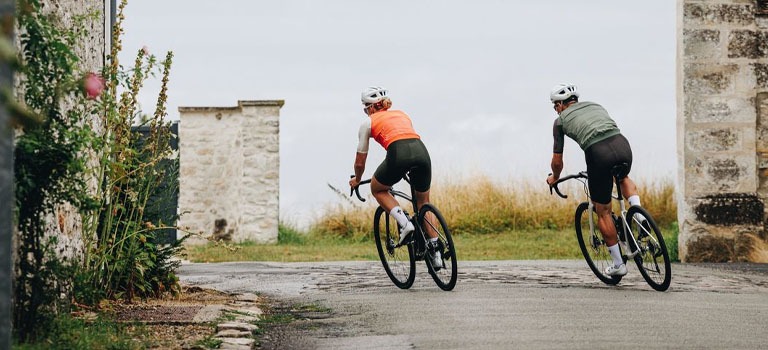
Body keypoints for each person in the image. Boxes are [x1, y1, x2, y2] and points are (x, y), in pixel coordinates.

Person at [545, 83, 642, 277]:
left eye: (555, 105)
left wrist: (554, 178)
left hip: (598, 154)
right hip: (622, 145)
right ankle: (639, 215)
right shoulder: (595, 106)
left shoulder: (560, 121)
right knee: (622, 177)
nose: (556, 110)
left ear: (562, 104)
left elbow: (557, 161)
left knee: (603, 211)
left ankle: (618, 264)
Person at [349, 86, 442, 268]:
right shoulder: (402, 114)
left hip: (398, 155)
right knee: (424, 203)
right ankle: (435, 250)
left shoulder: (367, 124)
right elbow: (405, 137)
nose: (366, 112)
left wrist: (357, 179)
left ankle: (405, 223)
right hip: (422, 153)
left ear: (372, 107)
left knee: (377, 188)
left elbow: (360, 162)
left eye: (365, 108)